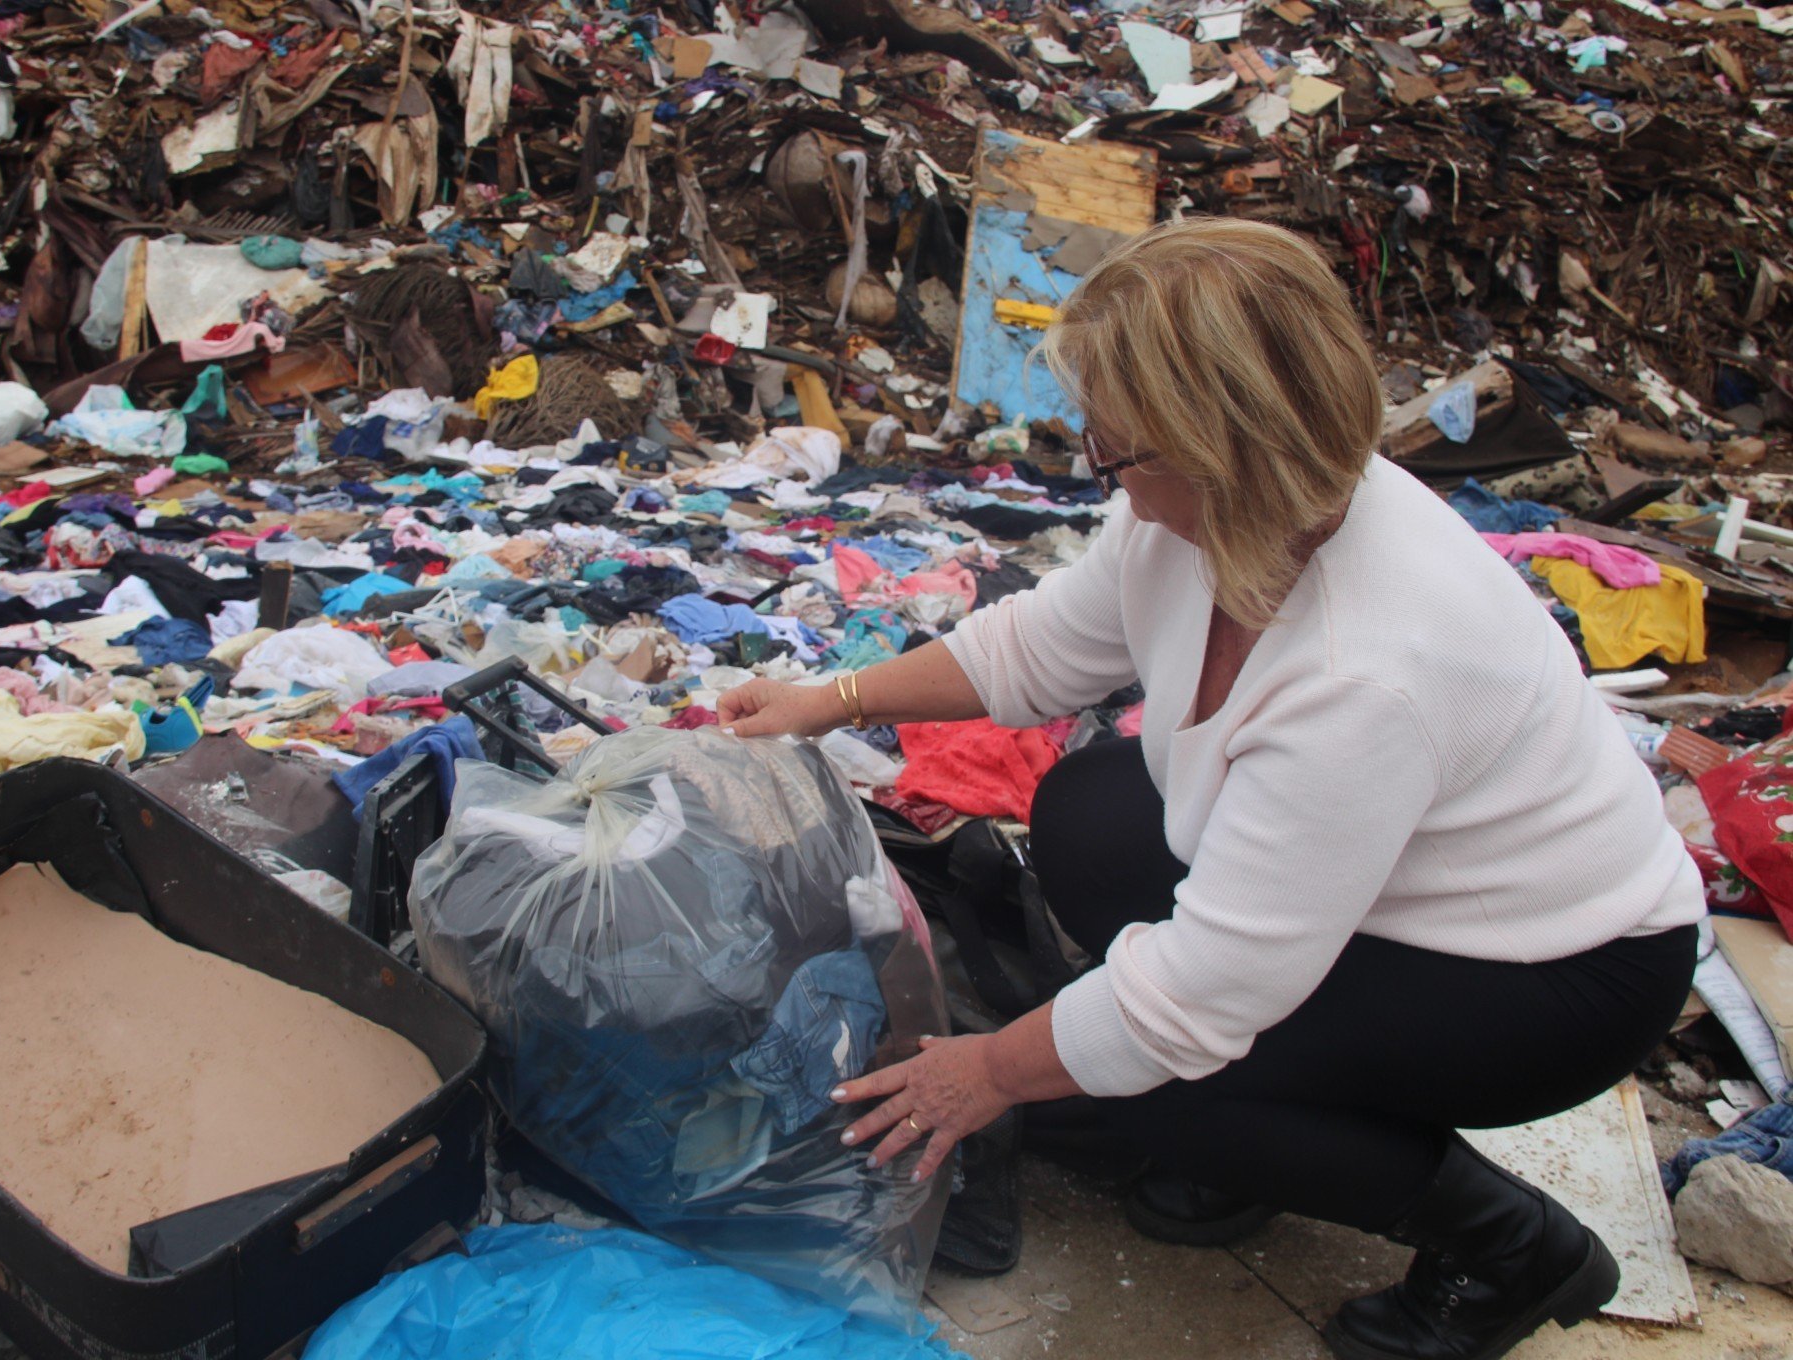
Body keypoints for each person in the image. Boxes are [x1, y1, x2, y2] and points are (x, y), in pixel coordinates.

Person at [716, 218, 1704, 1360]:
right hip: (1394, 894)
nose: (1105, 471)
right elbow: (1037, 649)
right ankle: (1285, 1132)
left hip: (1553, 974)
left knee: (1173, 1078)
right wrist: (826, 699)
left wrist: (983, 1071)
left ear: (1225, 442)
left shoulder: (1368, 669)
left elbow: (1192, 998)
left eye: (1120, 451)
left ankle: (1512, 1245)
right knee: (1090, 813)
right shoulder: (1207, 515)